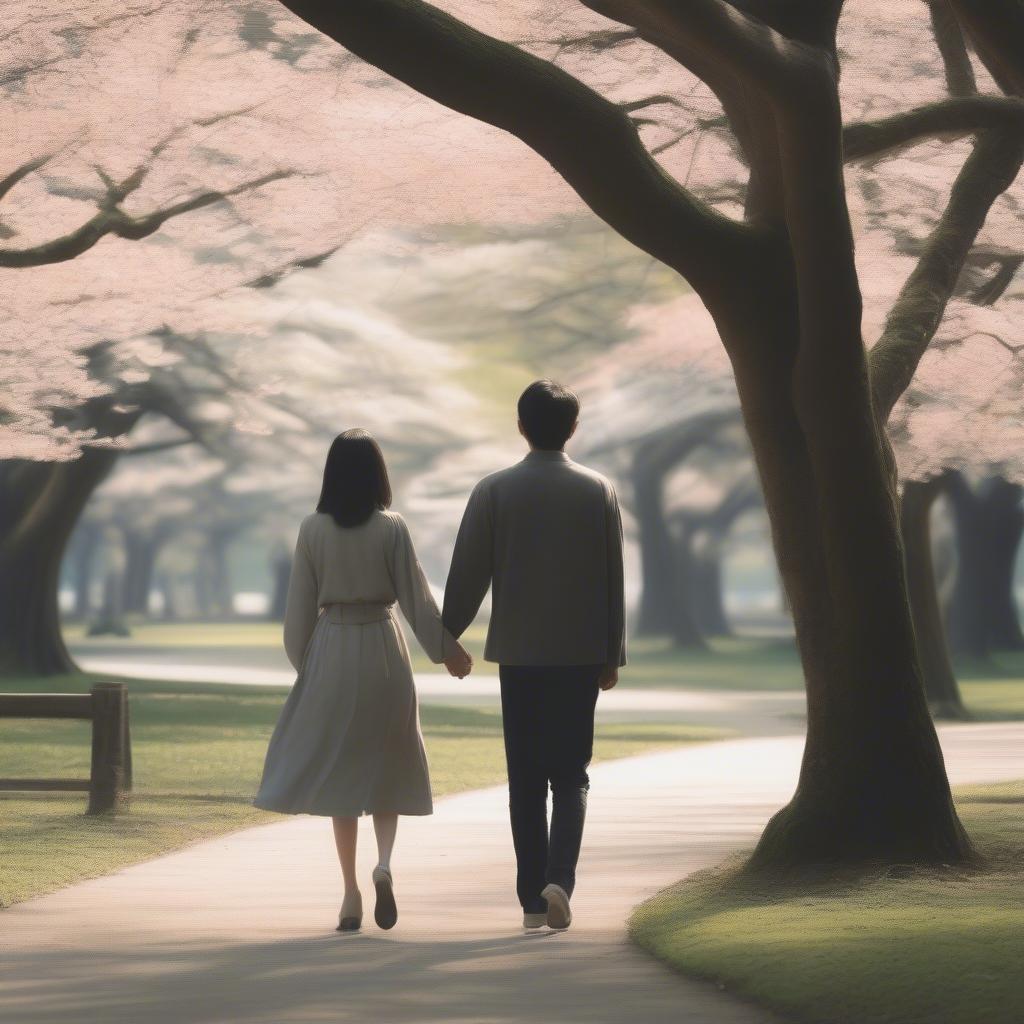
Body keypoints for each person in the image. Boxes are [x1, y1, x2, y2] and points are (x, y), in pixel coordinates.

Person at [253, 429, 473, 933]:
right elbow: (417, 599)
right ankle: (385, 864)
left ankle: (350, 893)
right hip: (382, 646)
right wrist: (447, 652)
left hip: (332, 645)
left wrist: (305, 666)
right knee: (388, 761)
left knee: (340, 772)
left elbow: (297, 612)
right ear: (378, 474)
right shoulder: (391, 527)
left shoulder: (312, 529)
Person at [443, 380, 626, 932]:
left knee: (525, 778)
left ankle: (529, 900)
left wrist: (446, 634)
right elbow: (611, 578)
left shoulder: (494, 490)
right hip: (578, 653)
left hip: (520, 655)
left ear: (521, 426)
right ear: (572, 428)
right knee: (571, 776)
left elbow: (469, 573)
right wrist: (612, 652)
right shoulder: (598, 489)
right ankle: (559, 882)